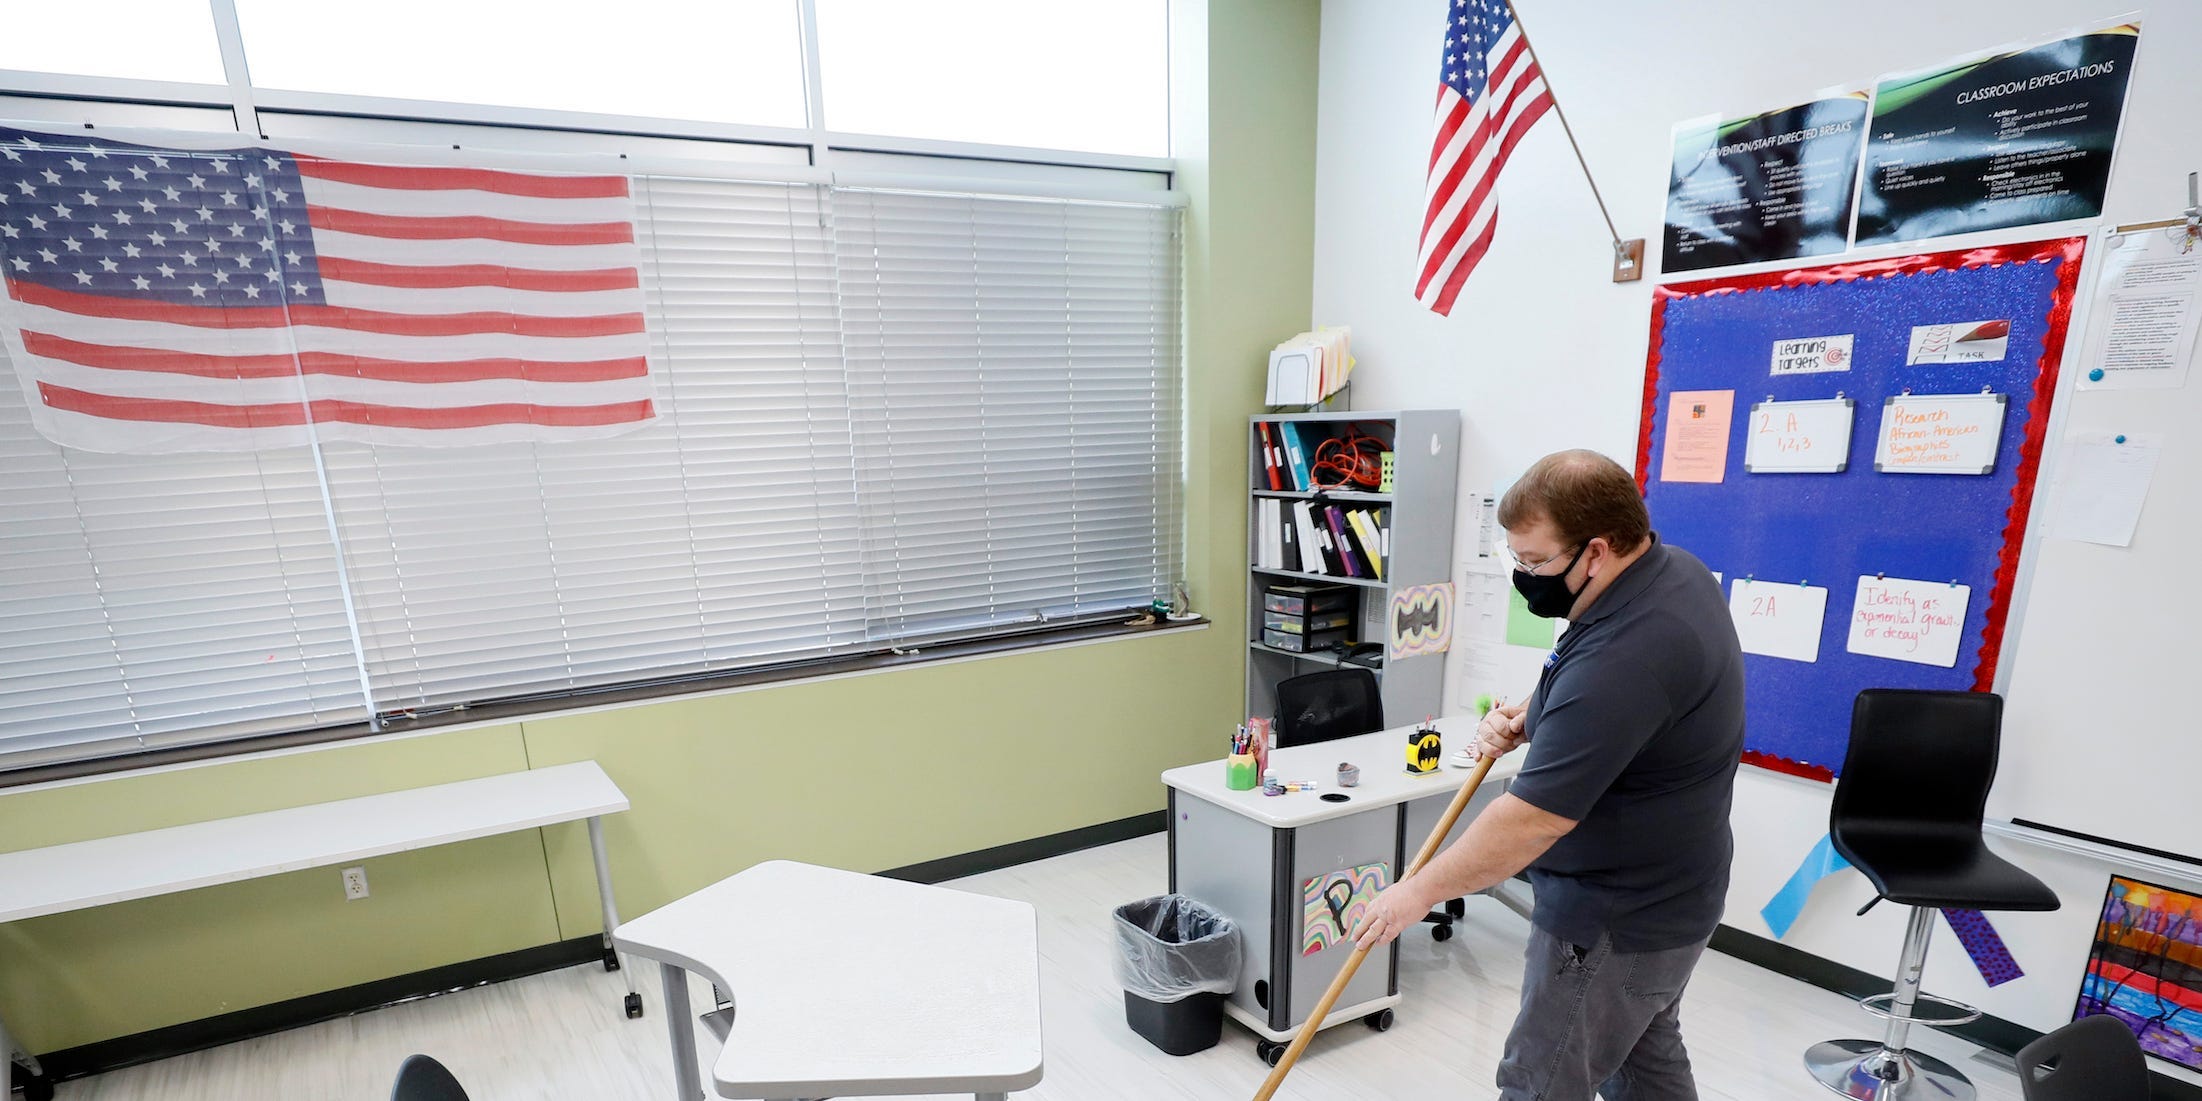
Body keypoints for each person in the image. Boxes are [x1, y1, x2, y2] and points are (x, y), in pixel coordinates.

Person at [1351, 449, 1745, 1101]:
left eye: (1534, 562)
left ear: (1596, 550)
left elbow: (1531, 818)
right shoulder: (1672, 572)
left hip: (1616, 915)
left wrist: (1416, 890)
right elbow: (1593, 677)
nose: (1523, 576)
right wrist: (1534, 715)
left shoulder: (1627, 658)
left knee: (1542, 1079)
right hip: (1678, 891)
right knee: (1644, 1055)